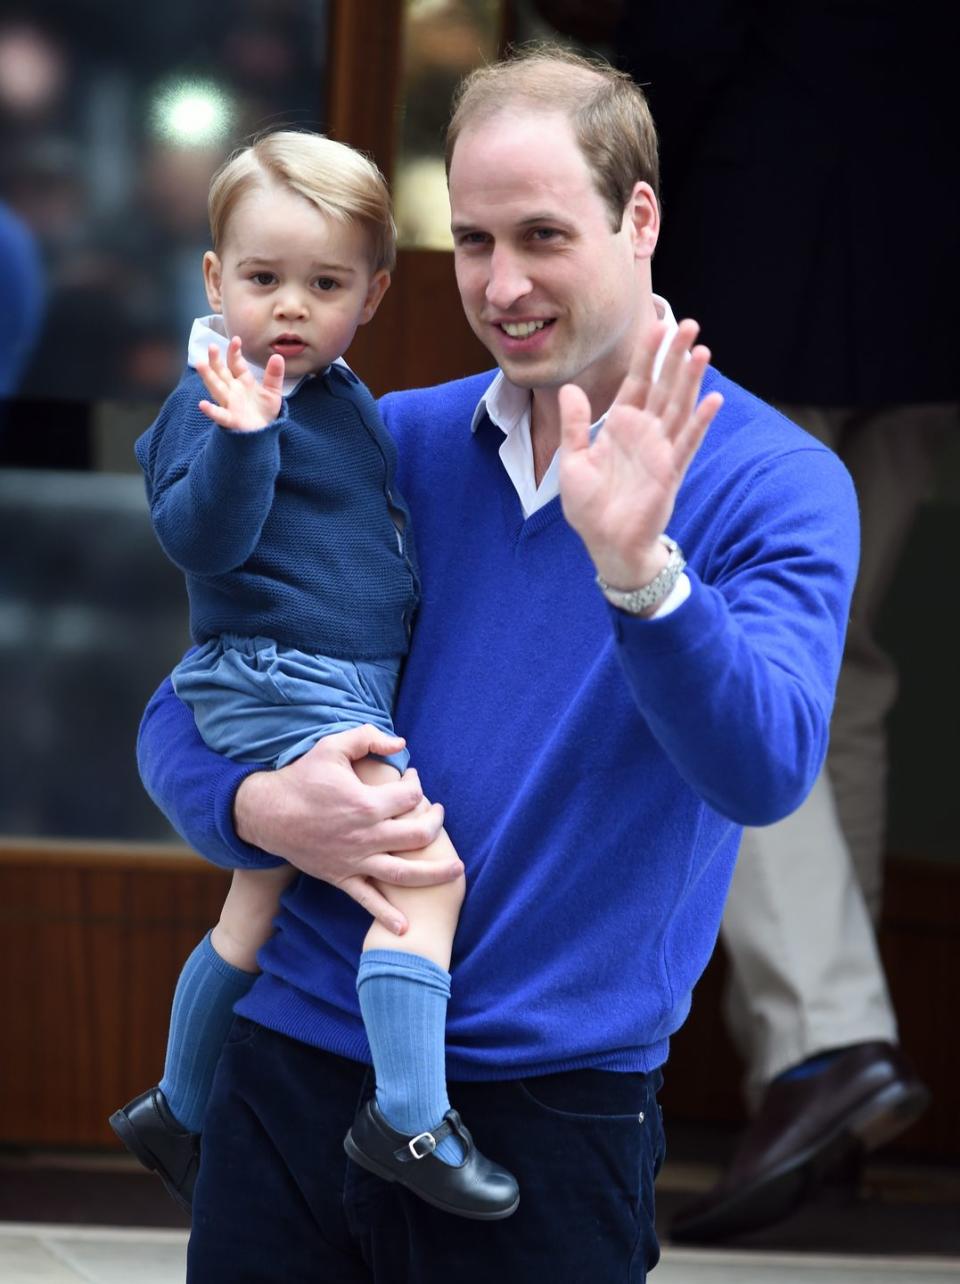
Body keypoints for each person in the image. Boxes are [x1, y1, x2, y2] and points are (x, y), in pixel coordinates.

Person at [135, 45, 860, 1282]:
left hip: (548, 1116)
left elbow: (765, 772)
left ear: (640, 218)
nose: (502, 283)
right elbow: (182, 707)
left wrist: (645, 576)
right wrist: (262, 808)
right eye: (473, 240)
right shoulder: (387, 436)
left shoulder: (777, 484)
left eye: (540, 235)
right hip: (293, 1076)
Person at [109, 129, 518, 1221]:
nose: (289, 306)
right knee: (424, 881)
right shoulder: (221, 394)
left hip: (322, 680)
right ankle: (409, 1119)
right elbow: (203, 541)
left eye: (324, 283)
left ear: (374, 293)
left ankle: (178, 1110)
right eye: (262, 278)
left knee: (258, 907)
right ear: (214, 279)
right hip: (287, 677)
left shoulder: (342, 399)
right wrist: (245, 437)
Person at [606, 1, 944, 1241]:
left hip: (769, 257)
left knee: (716, 654)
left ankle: (826, 1045)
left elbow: (680, 51)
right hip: (923, 292)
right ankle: (820, 1080)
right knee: (837, 675)